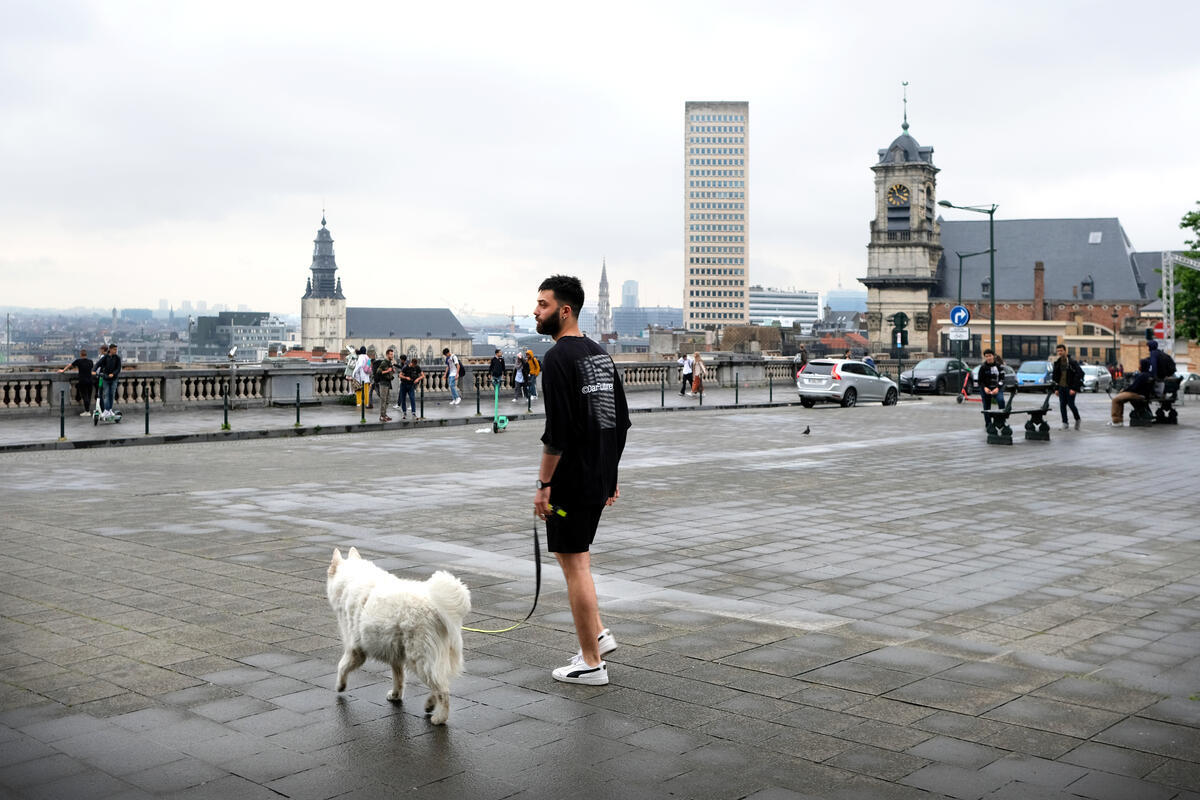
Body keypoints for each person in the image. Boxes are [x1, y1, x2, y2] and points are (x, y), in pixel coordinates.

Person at [532, 275, 630, 686]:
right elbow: (618, 423)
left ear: (564, 310)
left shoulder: (557, 359)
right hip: (596, 476)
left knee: (575, 567)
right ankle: (599, 635)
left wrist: (543, 485)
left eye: (542, 304)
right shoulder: (599, 355)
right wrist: (610, 476)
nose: (535, 311)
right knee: (577, 559)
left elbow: (559, 432)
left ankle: (591, 664)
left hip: (572, 479)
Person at [1109, 358, 1155, 427]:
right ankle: (1118, 420)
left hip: (1137, 395)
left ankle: (1117, 421)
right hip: (1142, 394)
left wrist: (1124, 390)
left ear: (1143, 366)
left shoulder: (1142, 375)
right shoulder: (1147, 375)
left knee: (1116, 400)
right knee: (1120, 399)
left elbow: (1133, 387)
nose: (1139, 366)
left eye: (1140, 365)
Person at [1051, 344, 1084, 430]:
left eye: (1061, 351)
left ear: (1065, 351)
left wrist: (1074, 388)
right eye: (1058, 351)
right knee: (1062, 405)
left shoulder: (1072, 362)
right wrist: (1056, 389)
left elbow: (1080, 373)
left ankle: (1077, 419)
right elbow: (1055, 377)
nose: (1059, 352)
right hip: (1061, 387)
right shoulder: (1057, 363)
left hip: (1070, 387)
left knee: (1071, 404)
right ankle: (1065, 423)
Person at [59, 348, 95, 416]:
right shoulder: (90, 361)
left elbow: (70, 365)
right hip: (90, 380)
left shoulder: (79, 361)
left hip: (82, 380)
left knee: (85, 396)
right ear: (86, 354)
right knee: (89, 396)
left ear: (80, 355)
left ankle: (87, 411)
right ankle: (88, 410)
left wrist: (63, 370)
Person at [98, 343, 122, 417]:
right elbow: (98, 364)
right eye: (114, 349)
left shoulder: (115, 357)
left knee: (108, 395)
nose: (116, 351)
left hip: (109, 378)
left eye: (116, 349)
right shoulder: (106, 357)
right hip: (105, 378)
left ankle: (108, 410)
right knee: (107, 395)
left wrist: (113, 374)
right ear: (110, 349)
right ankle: (107, 410)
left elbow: (118, 368)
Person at [397, 355, 422, 419]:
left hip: (411, 385)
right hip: (404, 384)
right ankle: (404, 412)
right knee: (403, 399)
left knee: (412, 398)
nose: (414, 367)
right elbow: (400, 375)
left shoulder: (417, 367)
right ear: (411, 363)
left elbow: (422, 375)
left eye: (415, 366)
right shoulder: (405, 367)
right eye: (413, 365)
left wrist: (418, 379)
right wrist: (406, 377)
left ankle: (413, 412)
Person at [374, 348, 396, 422]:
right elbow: (378, 372)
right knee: (383, 400)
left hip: (388, 383)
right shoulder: (384, 362)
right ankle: (382, 416)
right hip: (383, 383)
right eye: (390, 354)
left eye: (392, 354)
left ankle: (384, 414)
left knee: (387, 399)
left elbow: (391, 372)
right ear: (387, 355)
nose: (392, 356)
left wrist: (392, 370)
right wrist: (387, 370)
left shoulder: (389, 362)